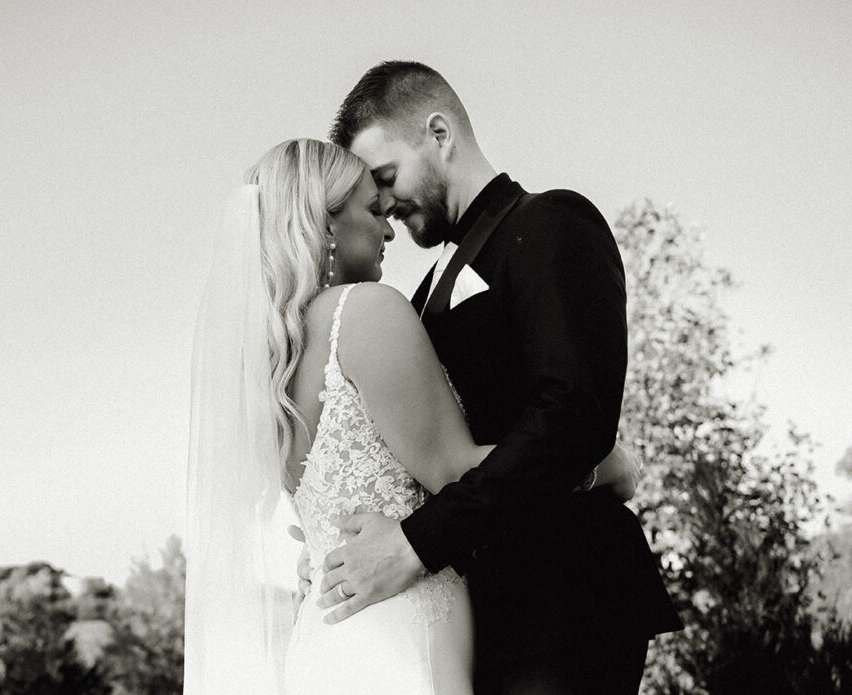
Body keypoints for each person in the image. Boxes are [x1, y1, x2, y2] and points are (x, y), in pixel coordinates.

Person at [185, 137, 644, 695]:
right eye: (373, 212)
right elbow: (455, 472)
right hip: (400, 632)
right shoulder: (364, 311)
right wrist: (600, 466)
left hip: (328, 638)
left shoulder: (268, 360)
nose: (388, 230)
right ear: (324, 224)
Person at [308, 61, 682, 694]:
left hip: (563, 600)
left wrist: (412, 545)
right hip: (475, 613)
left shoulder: (552, 222)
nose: (386, 210)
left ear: (439, 133)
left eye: (387, 178)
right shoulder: (421, 293)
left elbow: (570, 419)